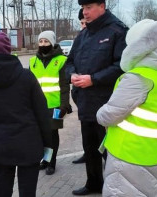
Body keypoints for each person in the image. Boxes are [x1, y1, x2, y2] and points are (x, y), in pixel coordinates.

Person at [96, 18, 157, 197]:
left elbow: (109, 115)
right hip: (154, 152)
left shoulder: (139, 78)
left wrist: (99, 112)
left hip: (127, 155)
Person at [0, 31, 53, 197]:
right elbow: (42, 113)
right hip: (29, 145)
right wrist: (48, 143)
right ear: (7, 50)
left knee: (2, 190)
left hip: (1, 146)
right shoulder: (26, 76)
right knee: (27, 191)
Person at [65, 0, 128, 195]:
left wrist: (94, 79)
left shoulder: (118, 31)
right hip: (85, 102)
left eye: (89, 7)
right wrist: (72, 74)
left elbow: (122, 66)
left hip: (108, 104)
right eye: (83, 8)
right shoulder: (84, 34)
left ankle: (115, 188)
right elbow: (69, 62)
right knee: (90, 147)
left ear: (102, 6)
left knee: (110, 151)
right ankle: (93, 183)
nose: (85, 13)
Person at [29, 30, 70, 175]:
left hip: (55, 106)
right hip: (37, 106)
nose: (43, 44)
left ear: (52, 43)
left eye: (46, 41)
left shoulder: (61, 61)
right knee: (40, 135)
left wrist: (64, 105)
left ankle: (52, 163)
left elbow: (65, 86)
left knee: (52, 136)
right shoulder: (32, 62)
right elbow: (28, 85)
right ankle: (45, 159)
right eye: (40, 41)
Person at [72, 8, 86, 165]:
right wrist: (72, 73)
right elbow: (71, 61)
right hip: (79, 91)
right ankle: (87, 153)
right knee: (85, 129)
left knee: (99, 131)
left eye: (85, 22)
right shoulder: (80, 38)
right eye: (81, 23)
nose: (83, 25)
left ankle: (104, 157)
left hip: (96, 93)